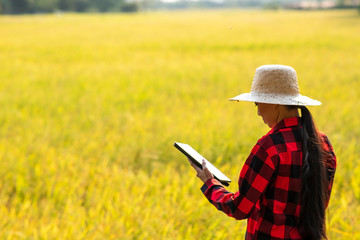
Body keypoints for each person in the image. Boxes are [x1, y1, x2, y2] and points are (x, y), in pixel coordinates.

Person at [188, 65, 337, 240]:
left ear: (275, 102)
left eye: (258, 104)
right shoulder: (323, 143)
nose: (258, 112)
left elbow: (239, 208)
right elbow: (321, 203)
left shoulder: (270, 147)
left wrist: (210, 183)